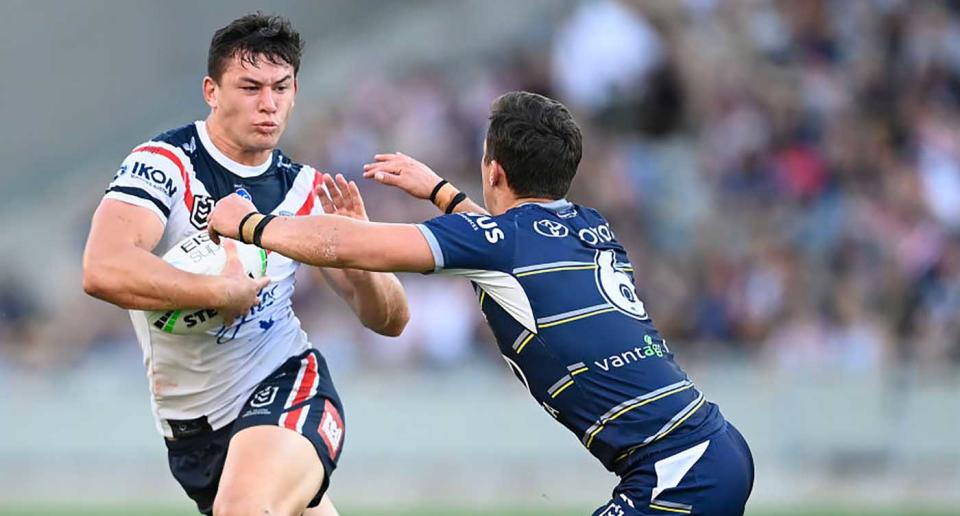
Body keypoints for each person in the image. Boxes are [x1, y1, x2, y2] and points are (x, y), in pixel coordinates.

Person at [207, 91, 755, 515]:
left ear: (494, 170)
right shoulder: (588, 226)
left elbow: (357, 246)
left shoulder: (505, 243)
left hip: (676, 468)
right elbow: (503, 247)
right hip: (715, 445)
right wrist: (440, 192)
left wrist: (251, 224)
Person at [81, 13, 409, 516]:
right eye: (250, 87)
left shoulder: (305, 191)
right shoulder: (166, 165)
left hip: (287, 383)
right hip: (194, 430)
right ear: (211, 91)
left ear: (295, 90)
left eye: (280, 87)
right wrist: (218, 293)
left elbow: (390, 320)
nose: (268, 104)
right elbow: (102, 268)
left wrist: (360, 254)